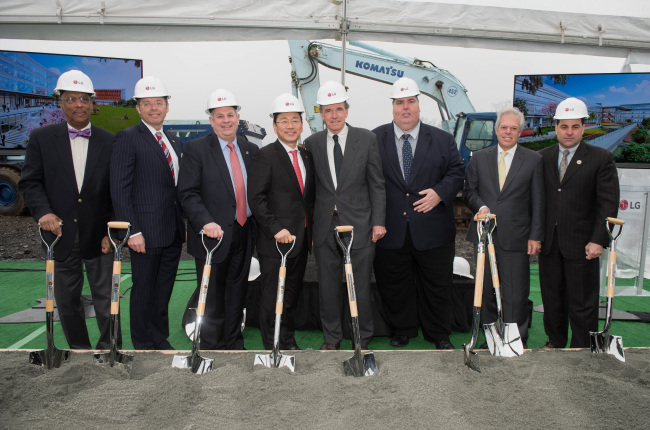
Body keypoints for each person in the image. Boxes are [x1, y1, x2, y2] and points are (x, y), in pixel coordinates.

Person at [19, 70, 117, 350]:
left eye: (84, 99)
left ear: (92, 103)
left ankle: (109, 349)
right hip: (59, 234)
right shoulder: (41, 138)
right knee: (66, 299)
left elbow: (116, 191)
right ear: (60, 103)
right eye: (71, 98)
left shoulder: (109, 141)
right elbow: (30, 181)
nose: (78, 104)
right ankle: (79, 350)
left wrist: (111, 229)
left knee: (106, 298)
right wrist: (43, 212)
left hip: (99, 237)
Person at [372, 77, 465, 350]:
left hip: (433, 230)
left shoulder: (442, 139)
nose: (405, 108)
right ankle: (402, 329)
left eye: (410, 102)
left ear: (418, 105)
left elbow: (457, 172)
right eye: (399, 103)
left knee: (437, 285)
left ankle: (438, 333)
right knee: (394, 285)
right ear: (393, 107)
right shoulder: (374, 138)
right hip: (391, 230)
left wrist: (439, 193)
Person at [304, 81, 386, 350]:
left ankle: (362, 336)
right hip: (325, 227)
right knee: (327, 287)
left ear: (347, 111)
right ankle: (332, 338)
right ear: (321, 114)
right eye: (328, 111)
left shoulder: (366, 139)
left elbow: (376, 183)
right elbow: (312, 190)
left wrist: (378, 222)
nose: (334, 116)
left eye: (338, 109)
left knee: (360, 285)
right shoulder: (312, 143)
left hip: (360, 225)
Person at [177, 89, 258, 350]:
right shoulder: (196, 149)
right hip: (212, 237)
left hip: (244, 234)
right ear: (211, 121)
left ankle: (234, 342)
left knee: (237, 292)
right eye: (219, 116)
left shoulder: (250, 149)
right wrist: (205, 222)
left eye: (230, 115)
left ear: (238, 117)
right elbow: (187, 193)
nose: (226, 120)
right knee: (210, 295)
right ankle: (210, 345)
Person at [110, 76, 185, 350]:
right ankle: (143, 343)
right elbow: (120, 189)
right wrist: (133, 231)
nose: (154, 108)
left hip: (171, 231)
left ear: (167, 106)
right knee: (143, 290)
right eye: (147, 104)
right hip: (145, 233)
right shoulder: (128, 138)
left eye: (159, 103)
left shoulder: (173, 140)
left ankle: (159, 338)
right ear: (138, 109)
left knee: (163, 289)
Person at [539, 97, 620, 349]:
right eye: (564, 126)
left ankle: (581, 346)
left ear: (584, 128)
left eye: (575, 126)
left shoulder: (600, 158)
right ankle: (555, 340)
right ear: (556, 127)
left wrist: (598, 239)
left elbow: (607, 204)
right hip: (550, 243)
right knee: (552, 297)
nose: (569, 132)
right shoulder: (541, 157)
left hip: (584, 244)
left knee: (582, 300)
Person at [463, 106, 544, 348]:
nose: (507, 132)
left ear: (520, 132)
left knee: (515, 293)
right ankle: (490, 338)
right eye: (503, 127)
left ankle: (514, 339)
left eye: (513, 128)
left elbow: (539, 201)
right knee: (486, 290)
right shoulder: (479, 158)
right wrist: (481, 206)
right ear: (496, 130)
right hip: (485, 236)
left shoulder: (534, 160)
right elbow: (469, 192)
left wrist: (536, 235)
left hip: (517, 237)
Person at [247, 93, 315, 350]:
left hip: (300, 240)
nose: (290, 125)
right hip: (276, 243)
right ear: (274, 126)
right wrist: (276, 229)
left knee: (290, 295)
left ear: (302, 124)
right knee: (274, 295)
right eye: (284, 120)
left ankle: (287, 340)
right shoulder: (266, 156)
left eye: (295, 120)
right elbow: (256, 198)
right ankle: (272, 343)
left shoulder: (306, 156)